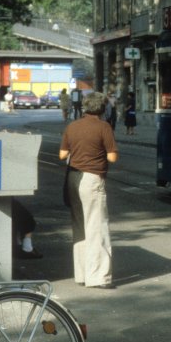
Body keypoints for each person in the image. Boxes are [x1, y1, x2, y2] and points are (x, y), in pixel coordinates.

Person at [59, 92, 118, 289]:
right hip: (92, 178)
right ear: (102, 108)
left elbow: (62, 154)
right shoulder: (103, 127)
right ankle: (99, 277)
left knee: (80, 227)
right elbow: (112, 158)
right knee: (96, 226)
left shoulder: (72, 126)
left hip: (73, 178)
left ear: (84, 107)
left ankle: (82, 274)